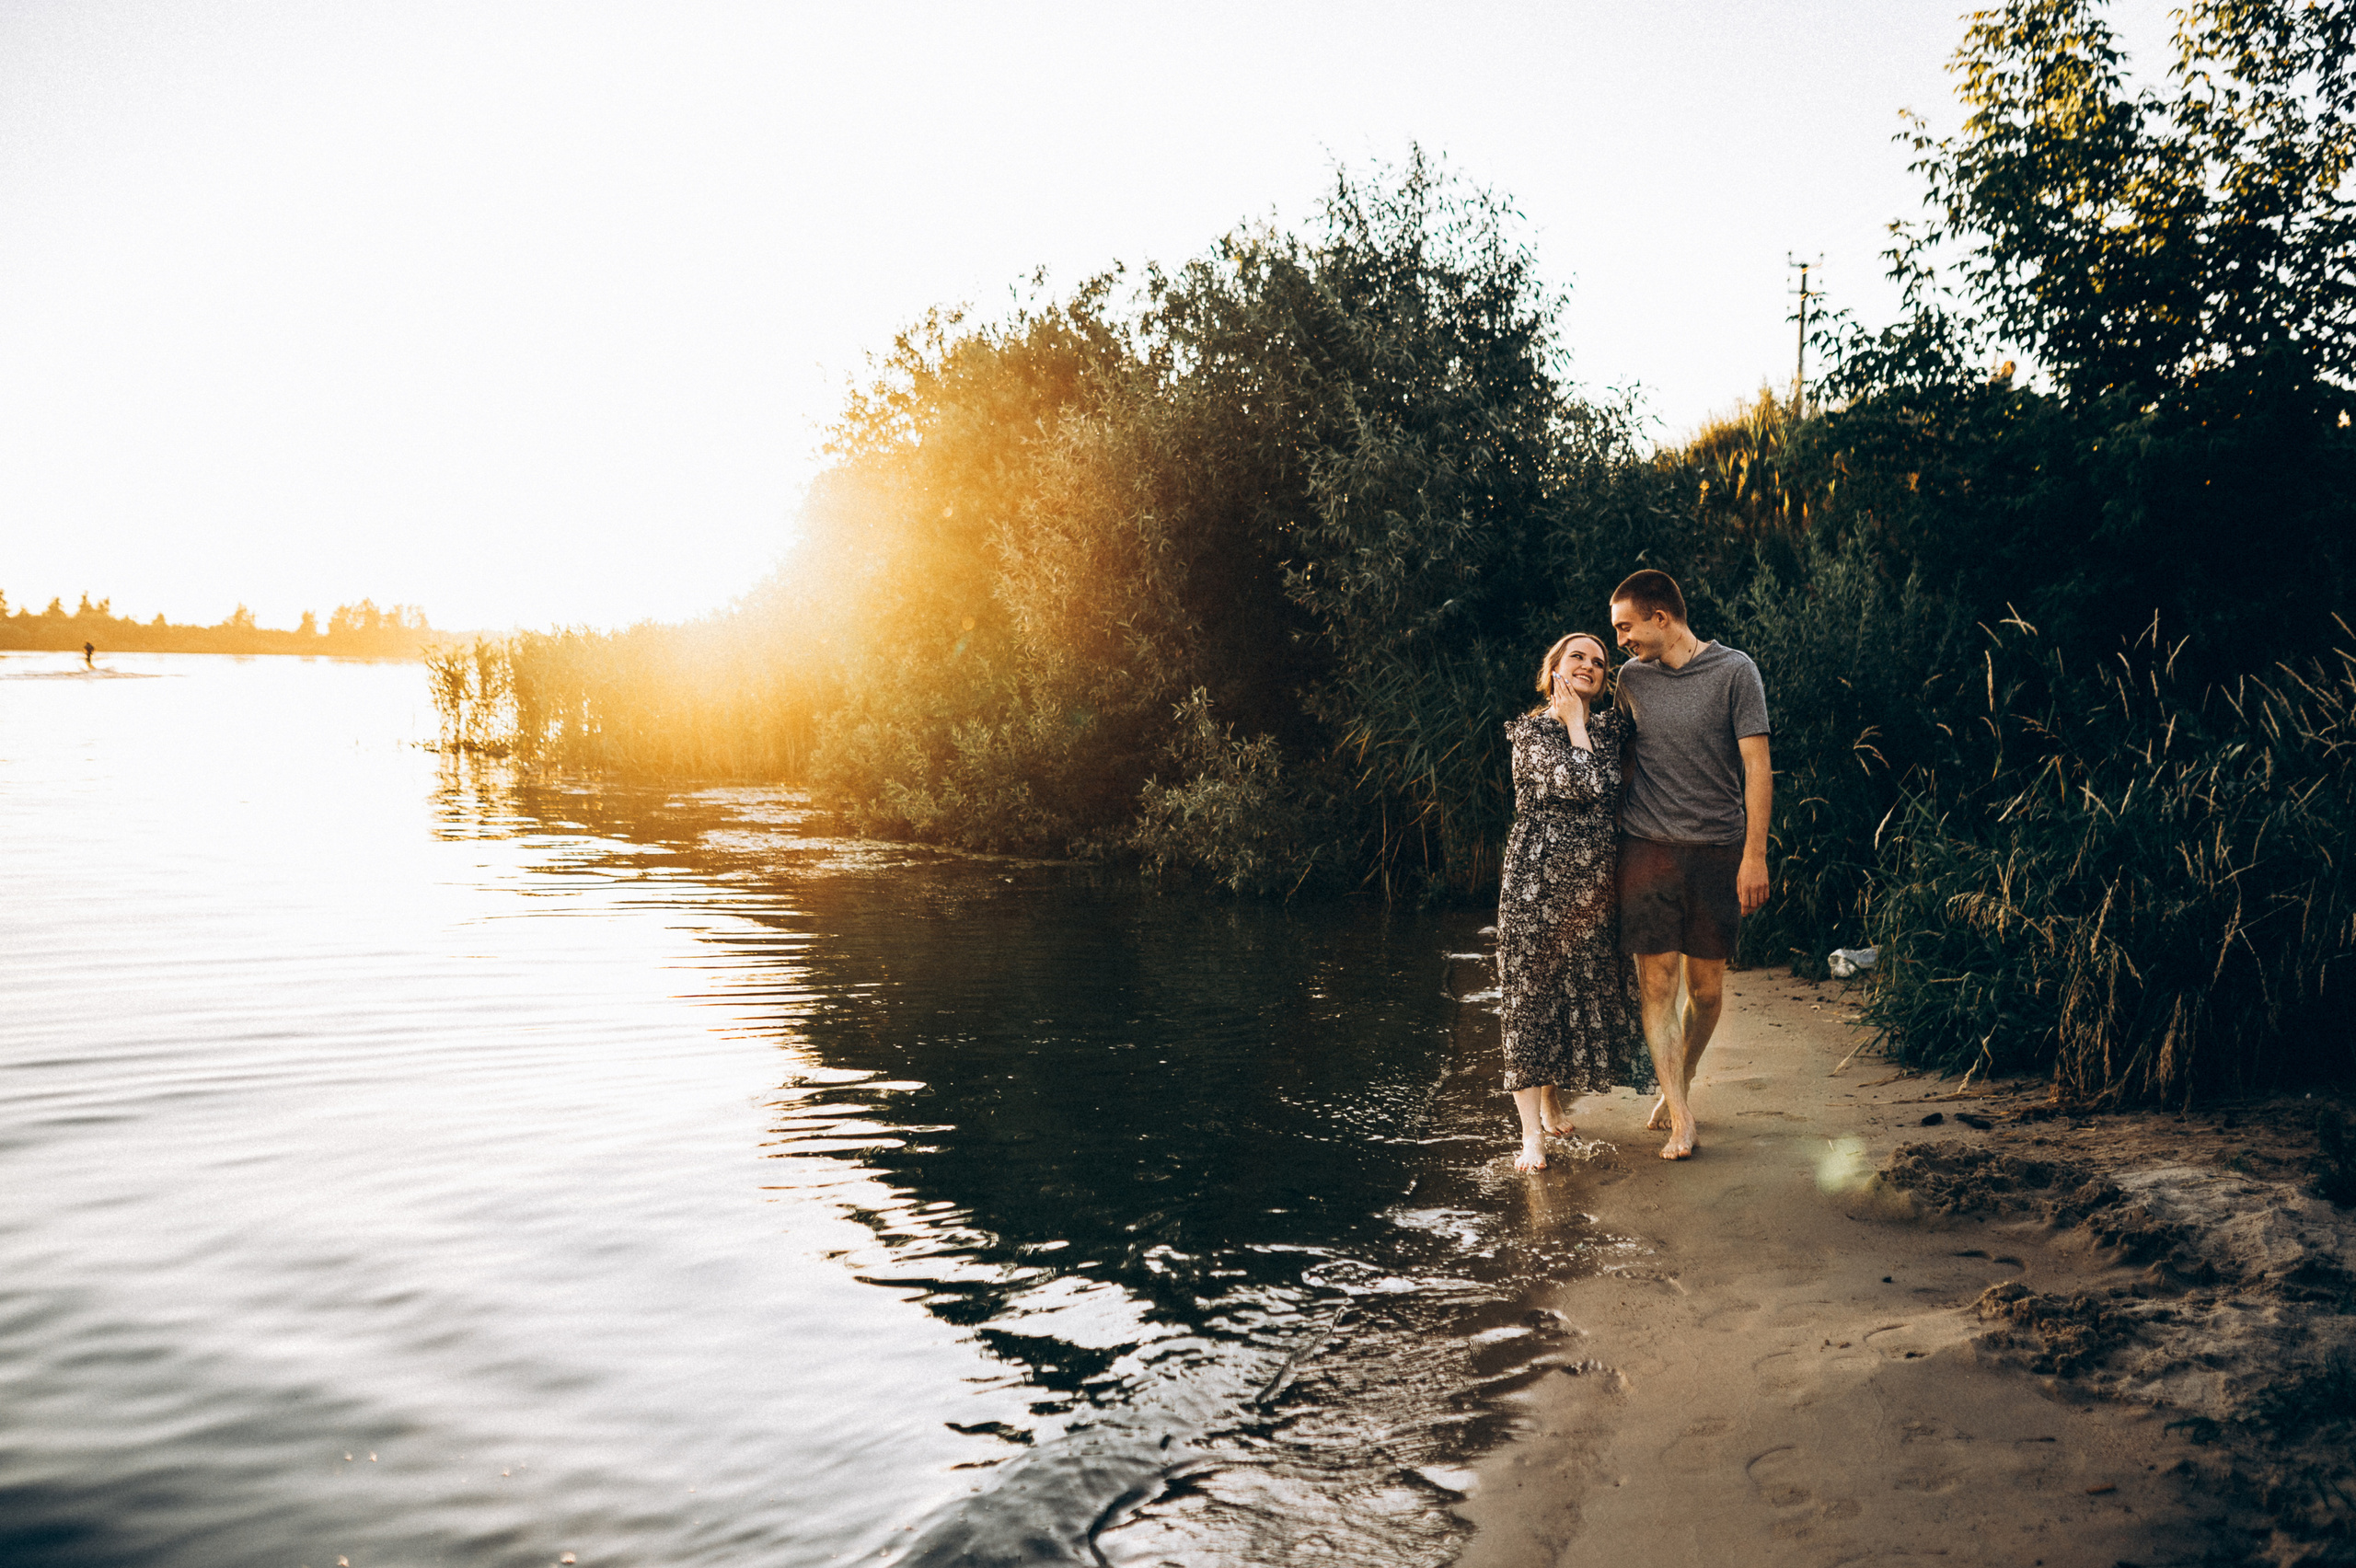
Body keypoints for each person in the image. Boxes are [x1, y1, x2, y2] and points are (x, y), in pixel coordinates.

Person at [1608, 569, 1771, 1160]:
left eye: (1626, 626)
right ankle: (1681, 1116)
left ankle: (1685, 1076)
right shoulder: (1630, 679)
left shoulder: (1736, 672)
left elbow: (1757, 767)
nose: (1620, 640)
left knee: (1706, 989)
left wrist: (1754, 856)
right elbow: (1620, 757)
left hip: (1718, 850)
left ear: (1661, 617)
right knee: (1656, 982)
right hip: (1646, 847)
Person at [1496, 631, 1635, 1171]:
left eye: (1600, 662)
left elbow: (1603, 782)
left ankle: (1552, 1098)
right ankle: (1531, 1135)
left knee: (1570, 995)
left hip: (1591, 894)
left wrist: (1583, 723)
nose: (1589, 665)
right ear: (1553, 667)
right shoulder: (1530, 732)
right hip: (1535, 887)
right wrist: (1574, 723)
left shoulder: (1606, 727)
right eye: (1577, 655)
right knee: (1529, 1004)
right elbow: (1587, 783)